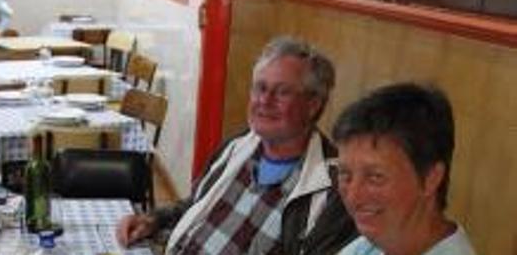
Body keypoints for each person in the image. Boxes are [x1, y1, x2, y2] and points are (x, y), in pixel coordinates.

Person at [117, 36, 357, 254]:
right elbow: (196, 204)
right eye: (260, 88)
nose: (264, 100)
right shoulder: (239, 145)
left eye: (282, 92)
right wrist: (153, 220)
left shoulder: (333, 190)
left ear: (313, 104)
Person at [333, 83, 475, 255]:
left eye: (375, 177)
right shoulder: (367, 247)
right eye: (345, 175)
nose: (354, 196)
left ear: (431, 178)